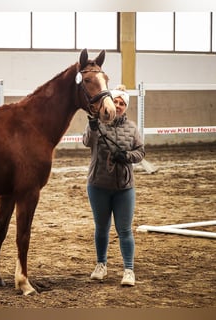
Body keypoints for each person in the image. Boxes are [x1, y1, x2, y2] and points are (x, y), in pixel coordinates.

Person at [82, 85, 145, 286]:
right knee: (102, 228)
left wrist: (126, 156)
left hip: (124, 187)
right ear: (110, 102)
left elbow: (140, 152)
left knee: (124, 229)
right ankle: (101, 265)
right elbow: (87, 142)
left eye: (122, 103)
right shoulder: (98, 123)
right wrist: (92, 127)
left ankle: (128, 270)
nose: (118, 106)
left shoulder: (132, 128)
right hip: (98, 184)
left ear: (125, 107)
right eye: (116, 101)